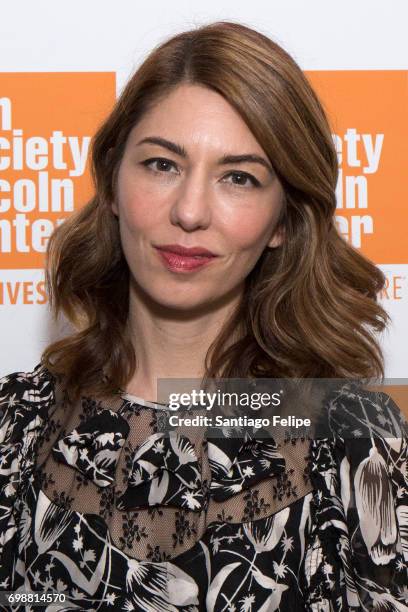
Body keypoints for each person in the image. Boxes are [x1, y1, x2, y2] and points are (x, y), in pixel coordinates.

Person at [0, 20, 407, 612]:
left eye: (238, 178)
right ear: (112, 182)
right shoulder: (14, 427)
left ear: (285, 221)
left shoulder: (352, 440)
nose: (190, 212)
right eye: (162, 165)